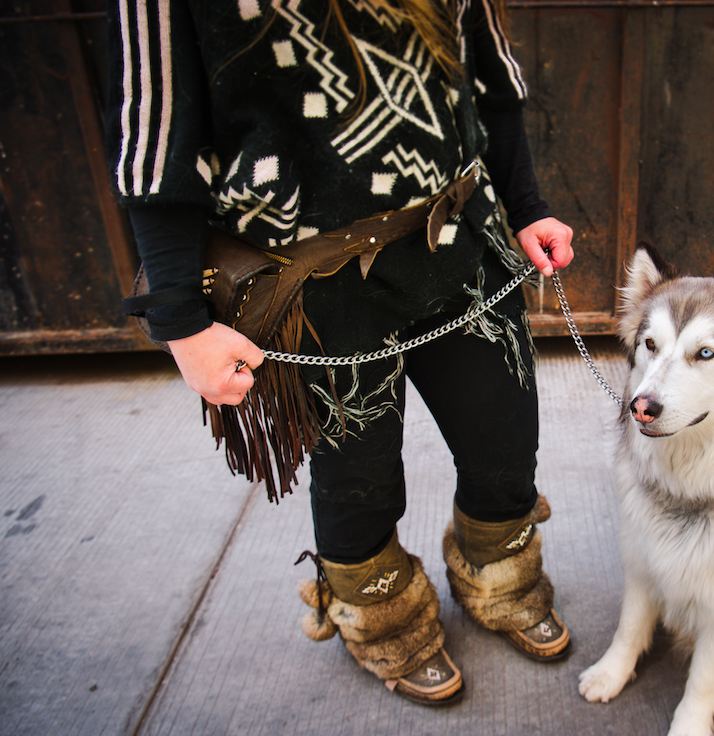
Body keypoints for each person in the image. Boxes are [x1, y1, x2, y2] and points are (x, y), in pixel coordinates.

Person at [108, 0, 574, 706]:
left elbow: (491, 81)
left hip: (463, 244)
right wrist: (182, 325)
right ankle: (382, 618)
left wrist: (528, 203)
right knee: (357, 478)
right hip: (314, 290)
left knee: (504, 439)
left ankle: (500, 577)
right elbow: (157, 149)